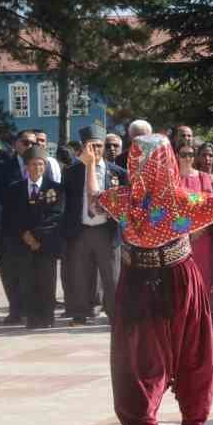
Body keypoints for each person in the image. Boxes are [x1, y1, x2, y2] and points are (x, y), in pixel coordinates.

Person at [86, 131, 213, 425]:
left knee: (140, 359)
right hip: (179, 279)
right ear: (167, 162)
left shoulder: (124, 199)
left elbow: (94, 197)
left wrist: (90, 164)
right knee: (193, 352)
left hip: (136, 282)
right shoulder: (181, 200)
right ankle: (194, 421)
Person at [62, 127, 126, 325]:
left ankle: (115, 315)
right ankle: (80, 314)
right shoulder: (72, 172)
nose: (96, 150)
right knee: (79, 276)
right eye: (92, 146)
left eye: (99, 146)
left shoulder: (118, 173)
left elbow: (125, 204)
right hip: (81, 230)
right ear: (83, 148)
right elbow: (66, 201)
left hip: (107, 231)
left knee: (112, 278)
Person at [3, 147, 65, 328]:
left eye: (40, 164)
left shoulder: (55, 188)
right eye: (33, 164)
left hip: (47, 243)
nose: (37, 168)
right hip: (23, 243)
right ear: (26, 167)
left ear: (45, 166)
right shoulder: (15, 189)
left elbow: (56, 215)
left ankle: (47, 317)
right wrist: (26, 235)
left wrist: (37, 235)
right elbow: (11, 216)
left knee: (46, 281)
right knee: (27, 281)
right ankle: (32, 317)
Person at [177, 142, 213, 303]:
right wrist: (183, 231)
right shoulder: (172, 178)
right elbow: (171, 207)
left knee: (203, 273)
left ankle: (203, 310)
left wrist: (198, 229)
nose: (187, 158)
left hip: (200, 234)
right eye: (183, 154)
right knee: (181, 276)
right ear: (177, 156)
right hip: (178, 236)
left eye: (190, 154)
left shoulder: (203, 177)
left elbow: (209, 206)